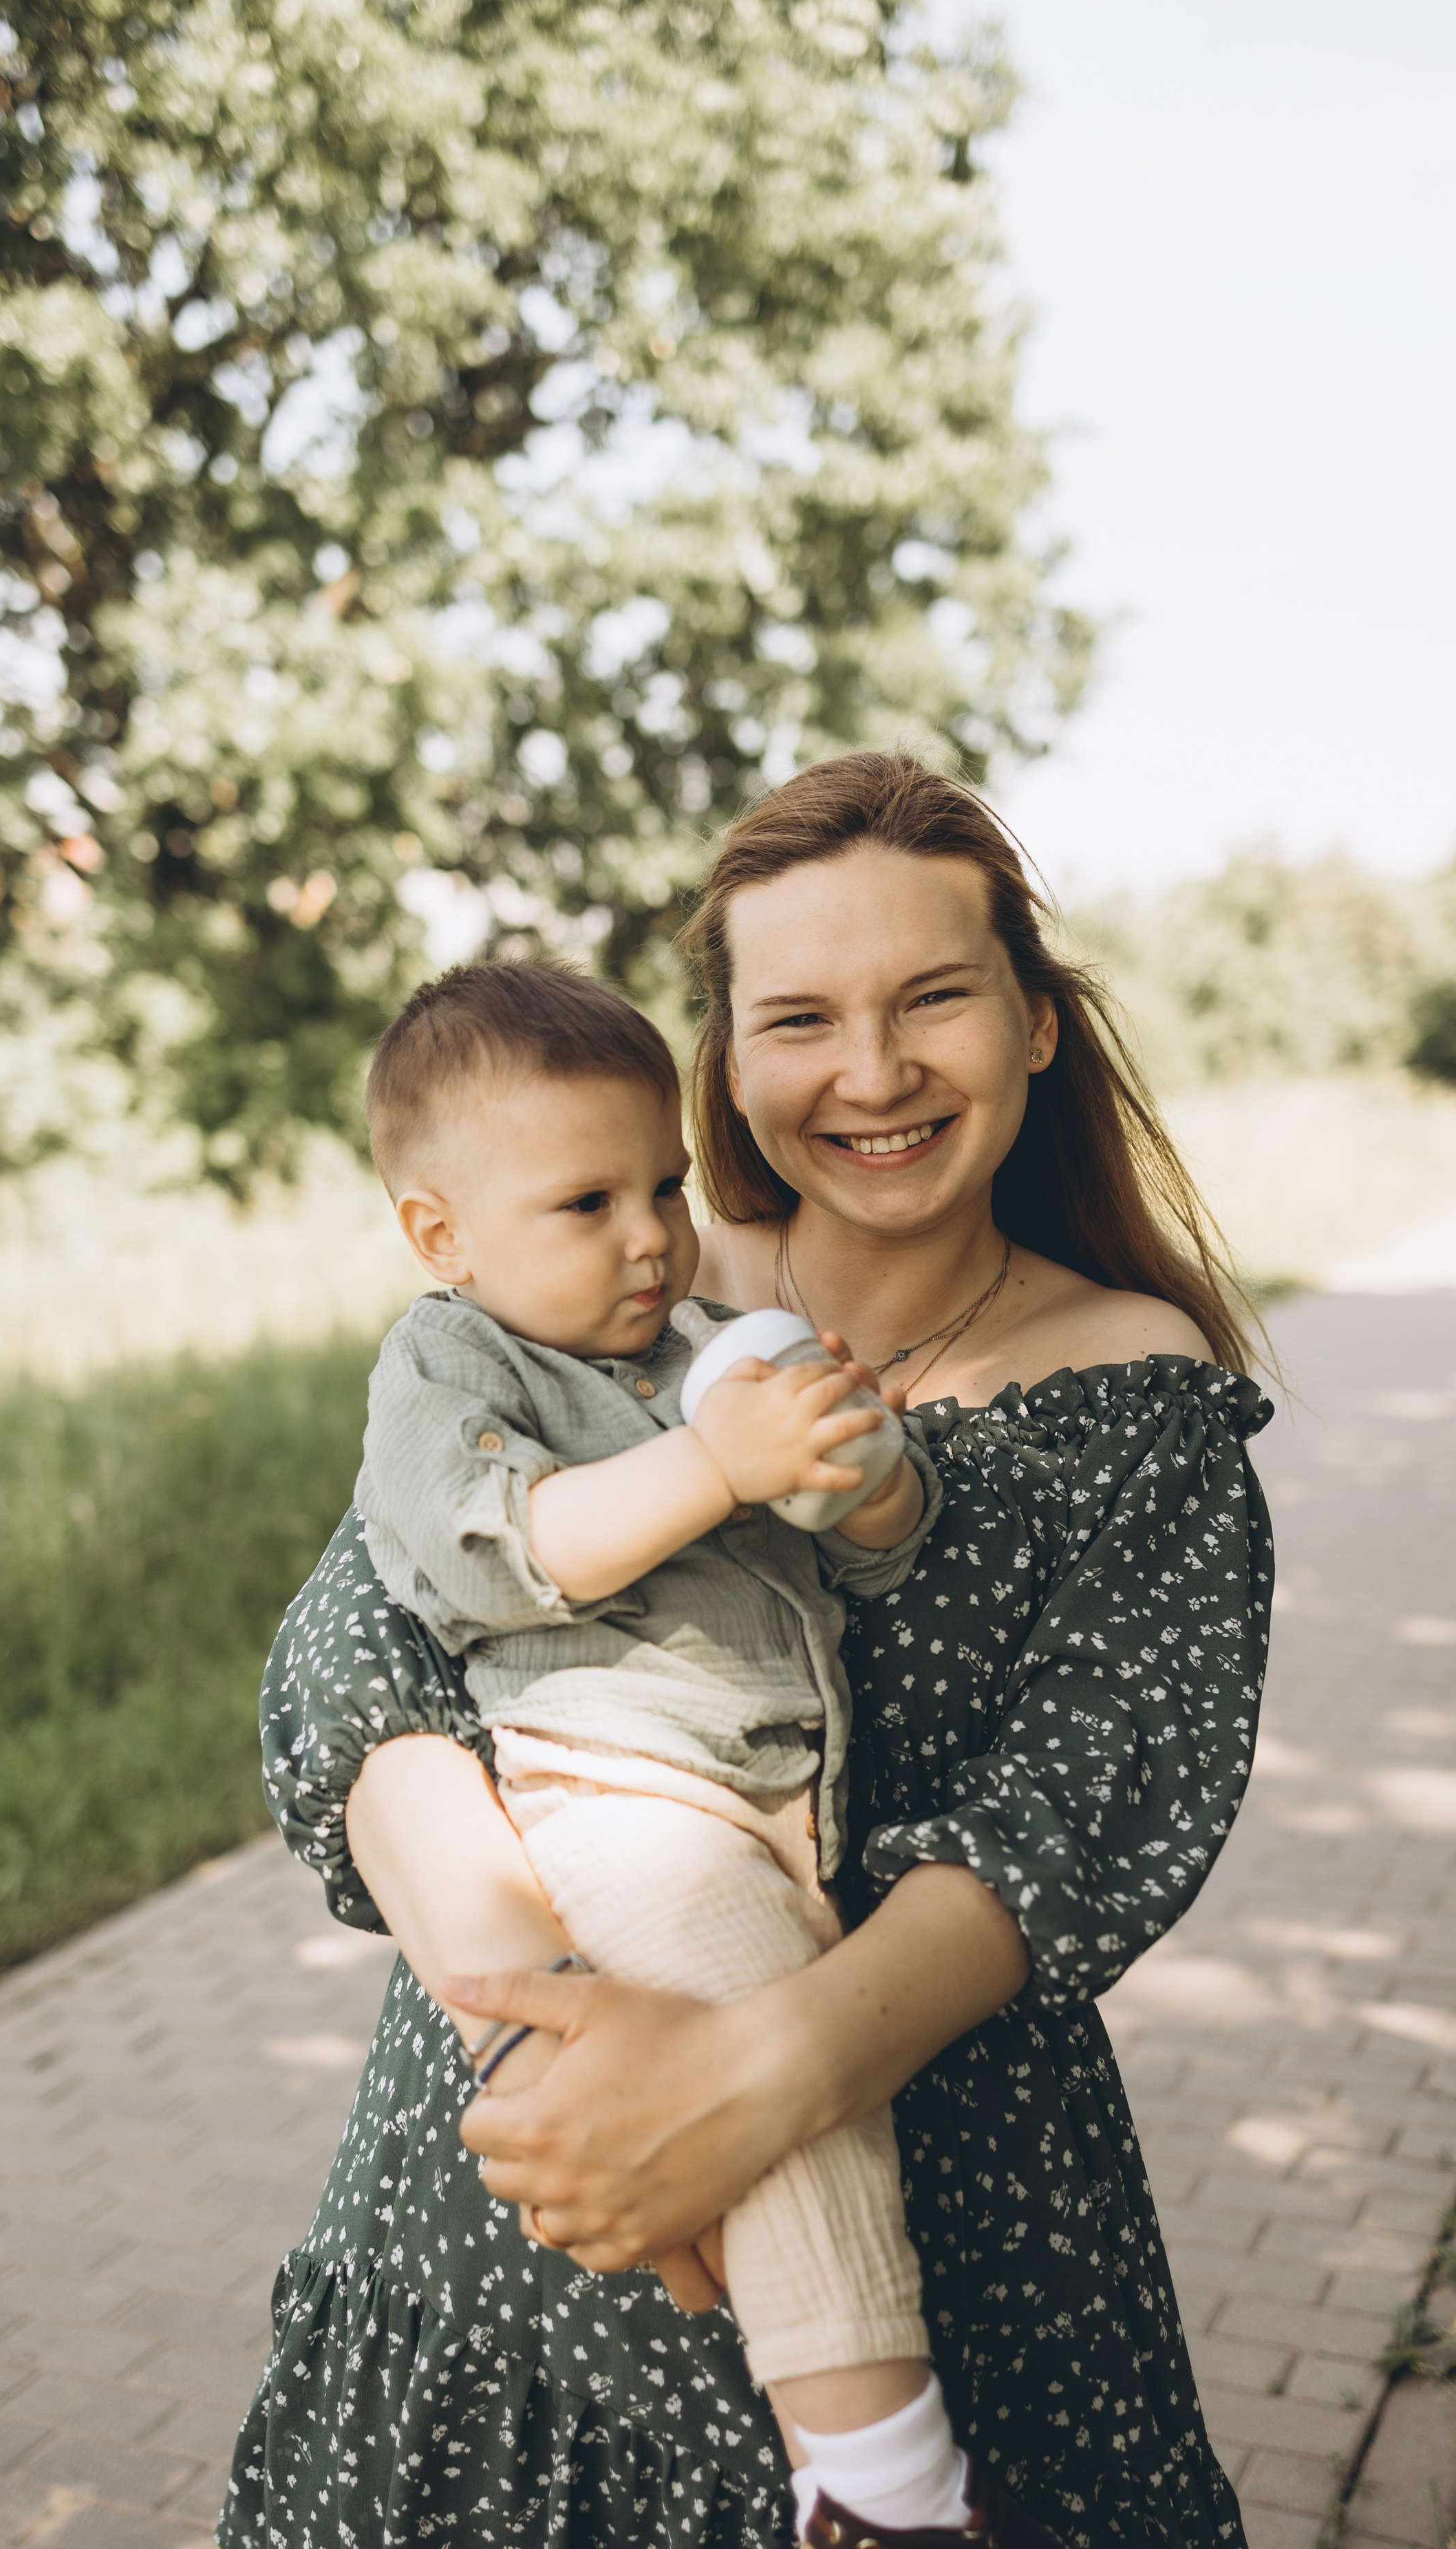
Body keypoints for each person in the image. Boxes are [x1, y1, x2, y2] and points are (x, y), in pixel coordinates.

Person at [220, 750, 1274, 2549]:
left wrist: (752, 2082)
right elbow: (358, 1662)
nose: (869, 1074)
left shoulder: (1136, 1382)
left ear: (1033, 1020)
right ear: (730, 1055)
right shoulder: (610, 1300)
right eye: (800, 1018)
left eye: (934, 997)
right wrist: (546, 2052)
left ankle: (875, 2484)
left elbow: (1076, 1814)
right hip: (519, 2200)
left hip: (946, 2230)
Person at [352, 954, 999, 2541]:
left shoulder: (713, 1338)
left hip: (771, 1815)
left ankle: (847, 2468)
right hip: (618, 1803)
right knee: (783, 2069)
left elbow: (874, 1555)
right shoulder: (457, 1365)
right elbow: (500, 1544)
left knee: (796, 2103)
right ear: (443, 1233)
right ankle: (885, 2491)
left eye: (664, 1185)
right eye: (585, 1205)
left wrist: (864, 1474)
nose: (649, 1236)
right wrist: (716, 1463)